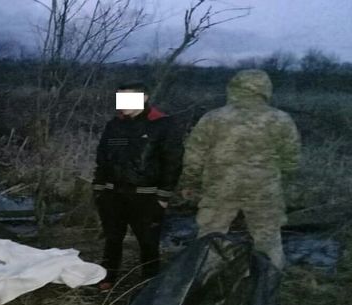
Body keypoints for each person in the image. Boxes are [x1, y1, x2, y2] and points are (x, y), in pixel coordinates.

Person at [180, 69, 301, 269]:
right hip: (263, 189)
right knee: (268, 239)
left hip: (220, 188)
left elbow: (194, 155)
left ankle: (206, 279)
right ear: (265, 89)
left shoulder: (213, 117)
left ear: (233, 88)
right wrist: (278, 179)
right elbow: (292, 158)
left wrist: (190, 182)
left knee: (210, 236)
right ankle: (268, 283)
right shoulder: (281, 119)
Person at [92, 82, 184, 291]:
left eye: (128, 98)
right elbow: (102, 158)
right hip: (112, 194)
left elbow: (173, 162)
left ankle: (149, 284)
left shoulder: (163, 124)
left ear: (144, 98)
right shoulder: (114, 125)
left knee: (148, 242)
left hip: (146, 196)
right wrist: (98, 189)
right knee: (112, 239)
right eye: (120, 98)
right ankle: (107, 277)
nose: (123, 104)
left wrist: (163, 195)